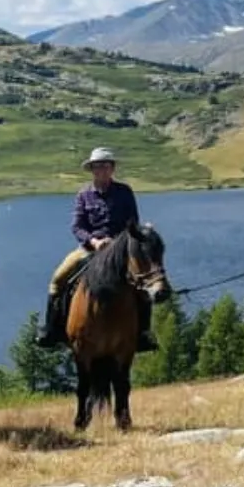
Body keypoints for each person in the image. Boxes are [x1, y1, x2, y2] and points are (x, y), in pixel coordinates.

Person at [38, 147, 157, 351]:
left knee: (144, 283)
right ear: (91, 170)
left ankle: (143, 334)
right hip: (89, 249)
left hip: (121, 251)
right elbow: (77, 226)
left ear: (112, 168)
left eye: (105, 166)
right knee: (58, 280)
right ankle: (52, 330)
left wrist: (119, 241)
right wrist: (94, 241)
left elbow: (132, 222)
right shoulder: (84, 195)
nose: (101, 170)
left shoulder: (125, 192)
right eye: (97, 166)